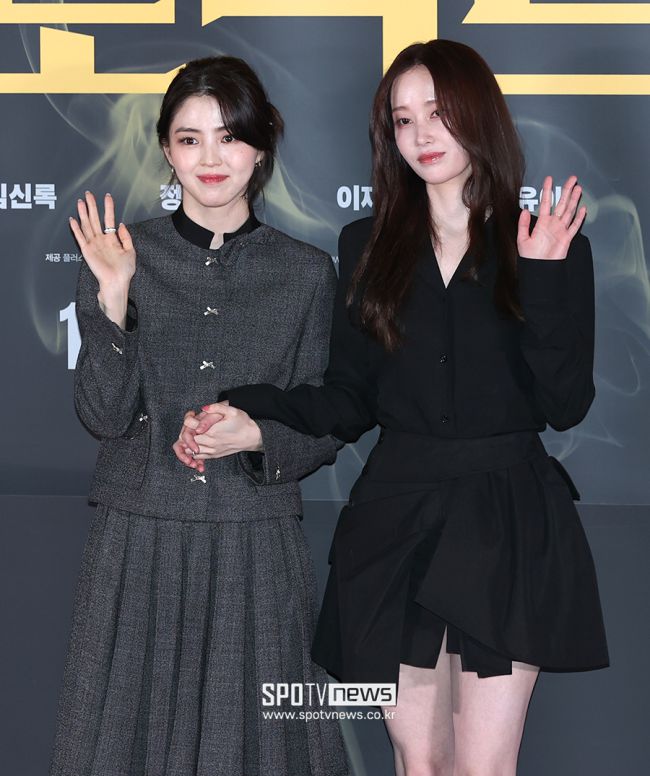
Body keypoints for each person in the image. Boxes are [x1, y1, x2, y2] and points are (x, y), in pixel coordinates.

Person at [178, 41, 610, 776]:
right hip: (395, 520)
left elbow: (564, 404)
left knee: (482, 764)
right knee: (419, 760)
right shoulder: (367, 245)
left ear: (479, 113)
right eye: (403, 120)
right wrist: (252, 414)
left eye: (438, 113)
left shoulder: (544, 244)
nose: (421, 135)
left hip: (505, 519)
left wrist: (542, 277)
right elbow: (350, 396)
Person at [49, 56, 350, 776]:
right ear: (167, 149)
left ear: (261, 146)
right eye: (190, 139)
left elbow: (328, 415)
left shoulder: (307, 273)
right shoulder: (120, 256)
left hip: (254, 540)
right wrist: (113, 297)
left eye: (229, 136)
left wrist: (258, 435)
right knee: (120, 745)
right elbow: (103, 414)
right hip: (138, 537)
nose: (211, 158)